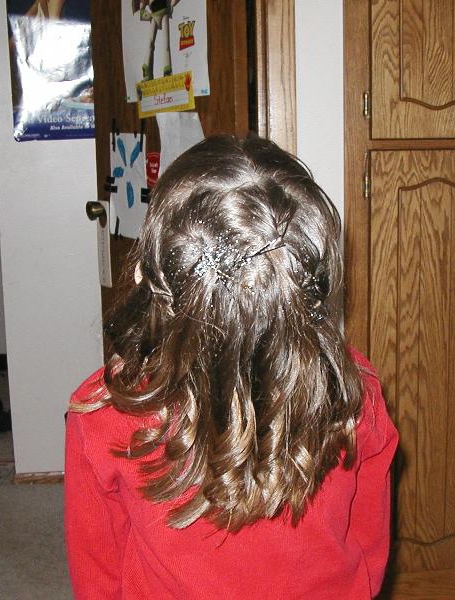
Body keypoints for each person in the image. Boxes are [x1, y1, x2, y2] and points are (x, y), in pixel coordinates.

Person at [65, 135, 398, 599]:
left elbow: (97, 571)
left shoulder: (106, 407)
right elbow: (370, 539)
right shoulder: (351, 385)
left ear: (148, 275)